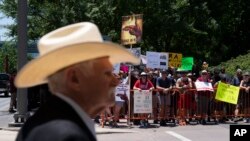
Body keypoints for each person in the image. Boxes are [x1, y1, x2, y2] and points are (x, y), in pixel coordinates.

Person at [15, 22, 139, 141]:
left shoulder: (36, 124)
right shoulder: (70, 135)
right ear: (75, 79)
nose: (115, 82)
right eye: (107, 73)